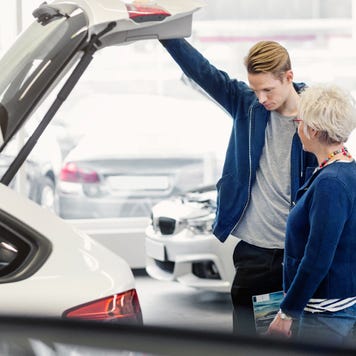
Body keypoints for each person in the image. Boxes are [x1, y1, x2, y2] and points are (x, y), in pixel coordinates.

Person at [159, 37, 317, 335]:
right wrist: (165, 33)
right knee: (247, 340)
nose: (261, 98)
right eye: (256, 89)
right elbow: (201, 71)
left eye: (268, 89)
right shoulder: (247, 105)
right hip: (254, 251)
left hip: (297, 252)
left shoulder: (317, 114)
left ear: (289, 77)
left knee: (296, 338)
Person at [267, 84, 356, 343]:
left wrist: (287, 313)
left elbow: (317, 258)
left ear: (313, 130)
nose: (297, 128)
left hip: (326, 316)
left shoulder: (331, 183)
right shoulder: (343, 170)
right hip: (334, 309)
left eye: (299, 121)